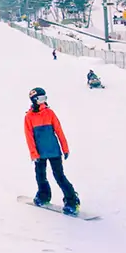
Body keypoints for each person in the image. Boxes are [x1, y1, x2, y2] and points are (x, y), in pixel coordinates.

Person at [24, 87, 80, 215]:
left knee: (59, 176)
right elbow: (29, 137)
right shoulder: (29, 117)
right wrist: (34, 154)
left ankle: (72, 200)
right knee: (40, 176)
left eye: (45, 98)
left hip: (54, 151)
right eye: (41, 99)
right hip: (39, 153)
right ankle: (43, 195)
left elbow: (59, 131)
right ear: (34, 99)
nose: (43, 101)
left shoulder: (50, 113)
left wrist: (65, 148)